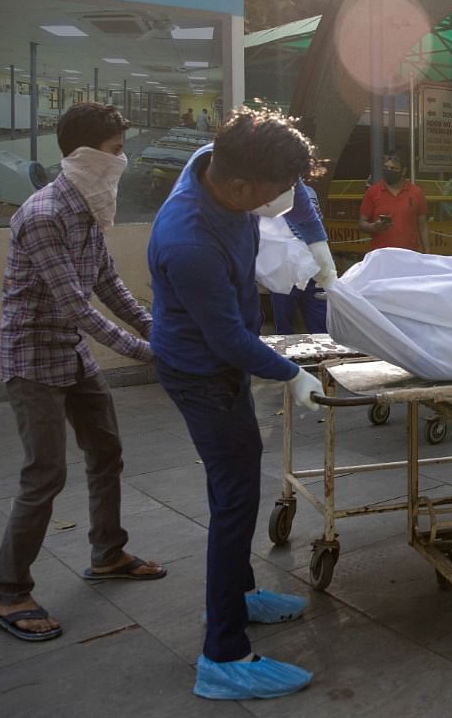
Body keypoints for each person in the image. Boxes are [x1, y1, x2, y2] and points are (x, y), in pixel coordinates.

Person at [147, 107, 331, 699]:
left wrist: (318, 249)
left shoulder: (219, 163)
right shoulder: (189, 240)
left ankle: (241, 592)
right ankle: (222, 656)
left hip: (225, 358)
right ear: (238, 187)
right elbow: (224, 338)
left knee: (237, 486)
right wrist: (291, 373)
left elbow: (284, 191)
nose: (284, 201)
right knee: (234, 502)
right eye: (276, 192)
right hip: (204, 374)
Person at [0, 102, 165, 643]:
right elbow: (74, 305)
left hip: (71, 353)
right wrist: (147, 353)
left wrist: (159, 330)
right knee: (45, 475)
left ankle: (108, 553)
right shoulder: (43, 215)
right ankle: (9, 592)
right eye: (115, 151)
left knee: (105, 451)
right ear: (86, 154)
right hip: (32, 360)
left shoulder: (86, 208)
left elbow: (108, 285)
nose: (122, 161)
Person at [269, 179, 332, 334]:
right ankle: (285, 356)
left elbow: (316, 224)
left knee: (318, 320)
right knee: (284, 321)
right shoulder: (269, 192)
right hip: (285, 267)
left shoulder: (310, 192)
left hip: (311, 264)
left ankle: (323, 355)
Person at [358, 152, 430, 253]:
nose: (389, 171)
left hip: (409, 254)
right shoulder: (372, 192)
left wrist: (427, 254)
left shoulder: (416, 192)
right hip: (381, 255)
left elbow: (422, 225)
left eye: (393, 168)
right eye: (386, 168)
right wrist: (374, 226)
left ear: (403, 171)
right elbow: (362, 223)